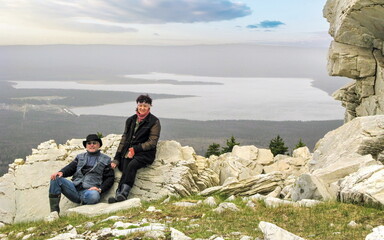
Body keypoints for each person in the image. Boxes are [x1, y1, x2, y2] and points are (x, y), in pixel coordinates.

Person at [108, 94, 161, 203]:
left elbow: (152, 142)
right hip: (129, 151)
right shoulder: (130, 120)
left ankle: (124, 193)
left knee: (132, 165)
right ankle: (119, 193)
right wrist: (117, 158)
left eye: (145, 106)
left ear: (149, 107)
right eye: (140, 105)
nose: (142, 108)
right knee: (125, 166)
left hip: (145, 153)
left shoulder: (154, 121)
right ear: (137, 105)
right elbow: (124, 139)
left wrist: (135, 149)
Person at [48, 134, 115, 213]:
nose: (92, 145)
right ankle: (54, 212)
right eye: (89, 143)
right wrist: (61, 172)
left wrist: (100, 189)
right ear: (86, 146)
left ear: (99, 145)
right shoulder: (80, 157)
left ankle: (84, 203)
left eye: (94, 143)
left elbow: (110, 178)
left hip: (89, 191)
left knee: (94, 195)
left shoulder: (106, 159)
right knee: (55, 178)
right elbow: (71, 167)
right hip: (74, 188)